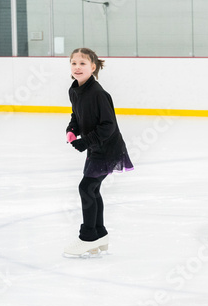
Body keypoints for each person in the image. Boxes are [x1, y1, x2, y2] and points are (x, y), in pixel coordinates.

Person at [64, 47, 133, 256]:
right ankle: (100, 234)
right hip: (96, 149)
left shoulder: (98, 94)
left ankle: (88, 237)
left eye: (83, 63)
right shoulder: (74, 90)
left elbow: (108, 125)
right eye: (74, 63)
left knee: (86, 188)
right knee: (92, 189)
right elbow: (77, 115)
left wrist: (86, 141)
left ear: (93, 67)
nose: (77, 67)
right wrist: (72, 130)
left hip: (107, 149)